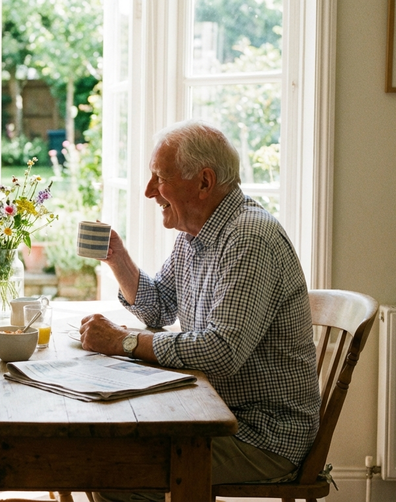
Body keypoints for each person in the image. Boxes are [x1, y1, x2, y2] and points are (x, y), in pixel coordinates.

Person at [78, 120, 320, 502]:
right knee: (108, 443)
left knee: (115, 470)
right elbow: (160, 307)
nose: (147, 191)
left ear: (204, 183)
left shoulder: (249, 238)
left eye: (159, 177)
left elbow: (220, 352)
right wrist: (118, 259)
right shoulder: (196, 235)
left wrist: (123, 342)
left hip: (262, 433)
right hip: (213, 410)